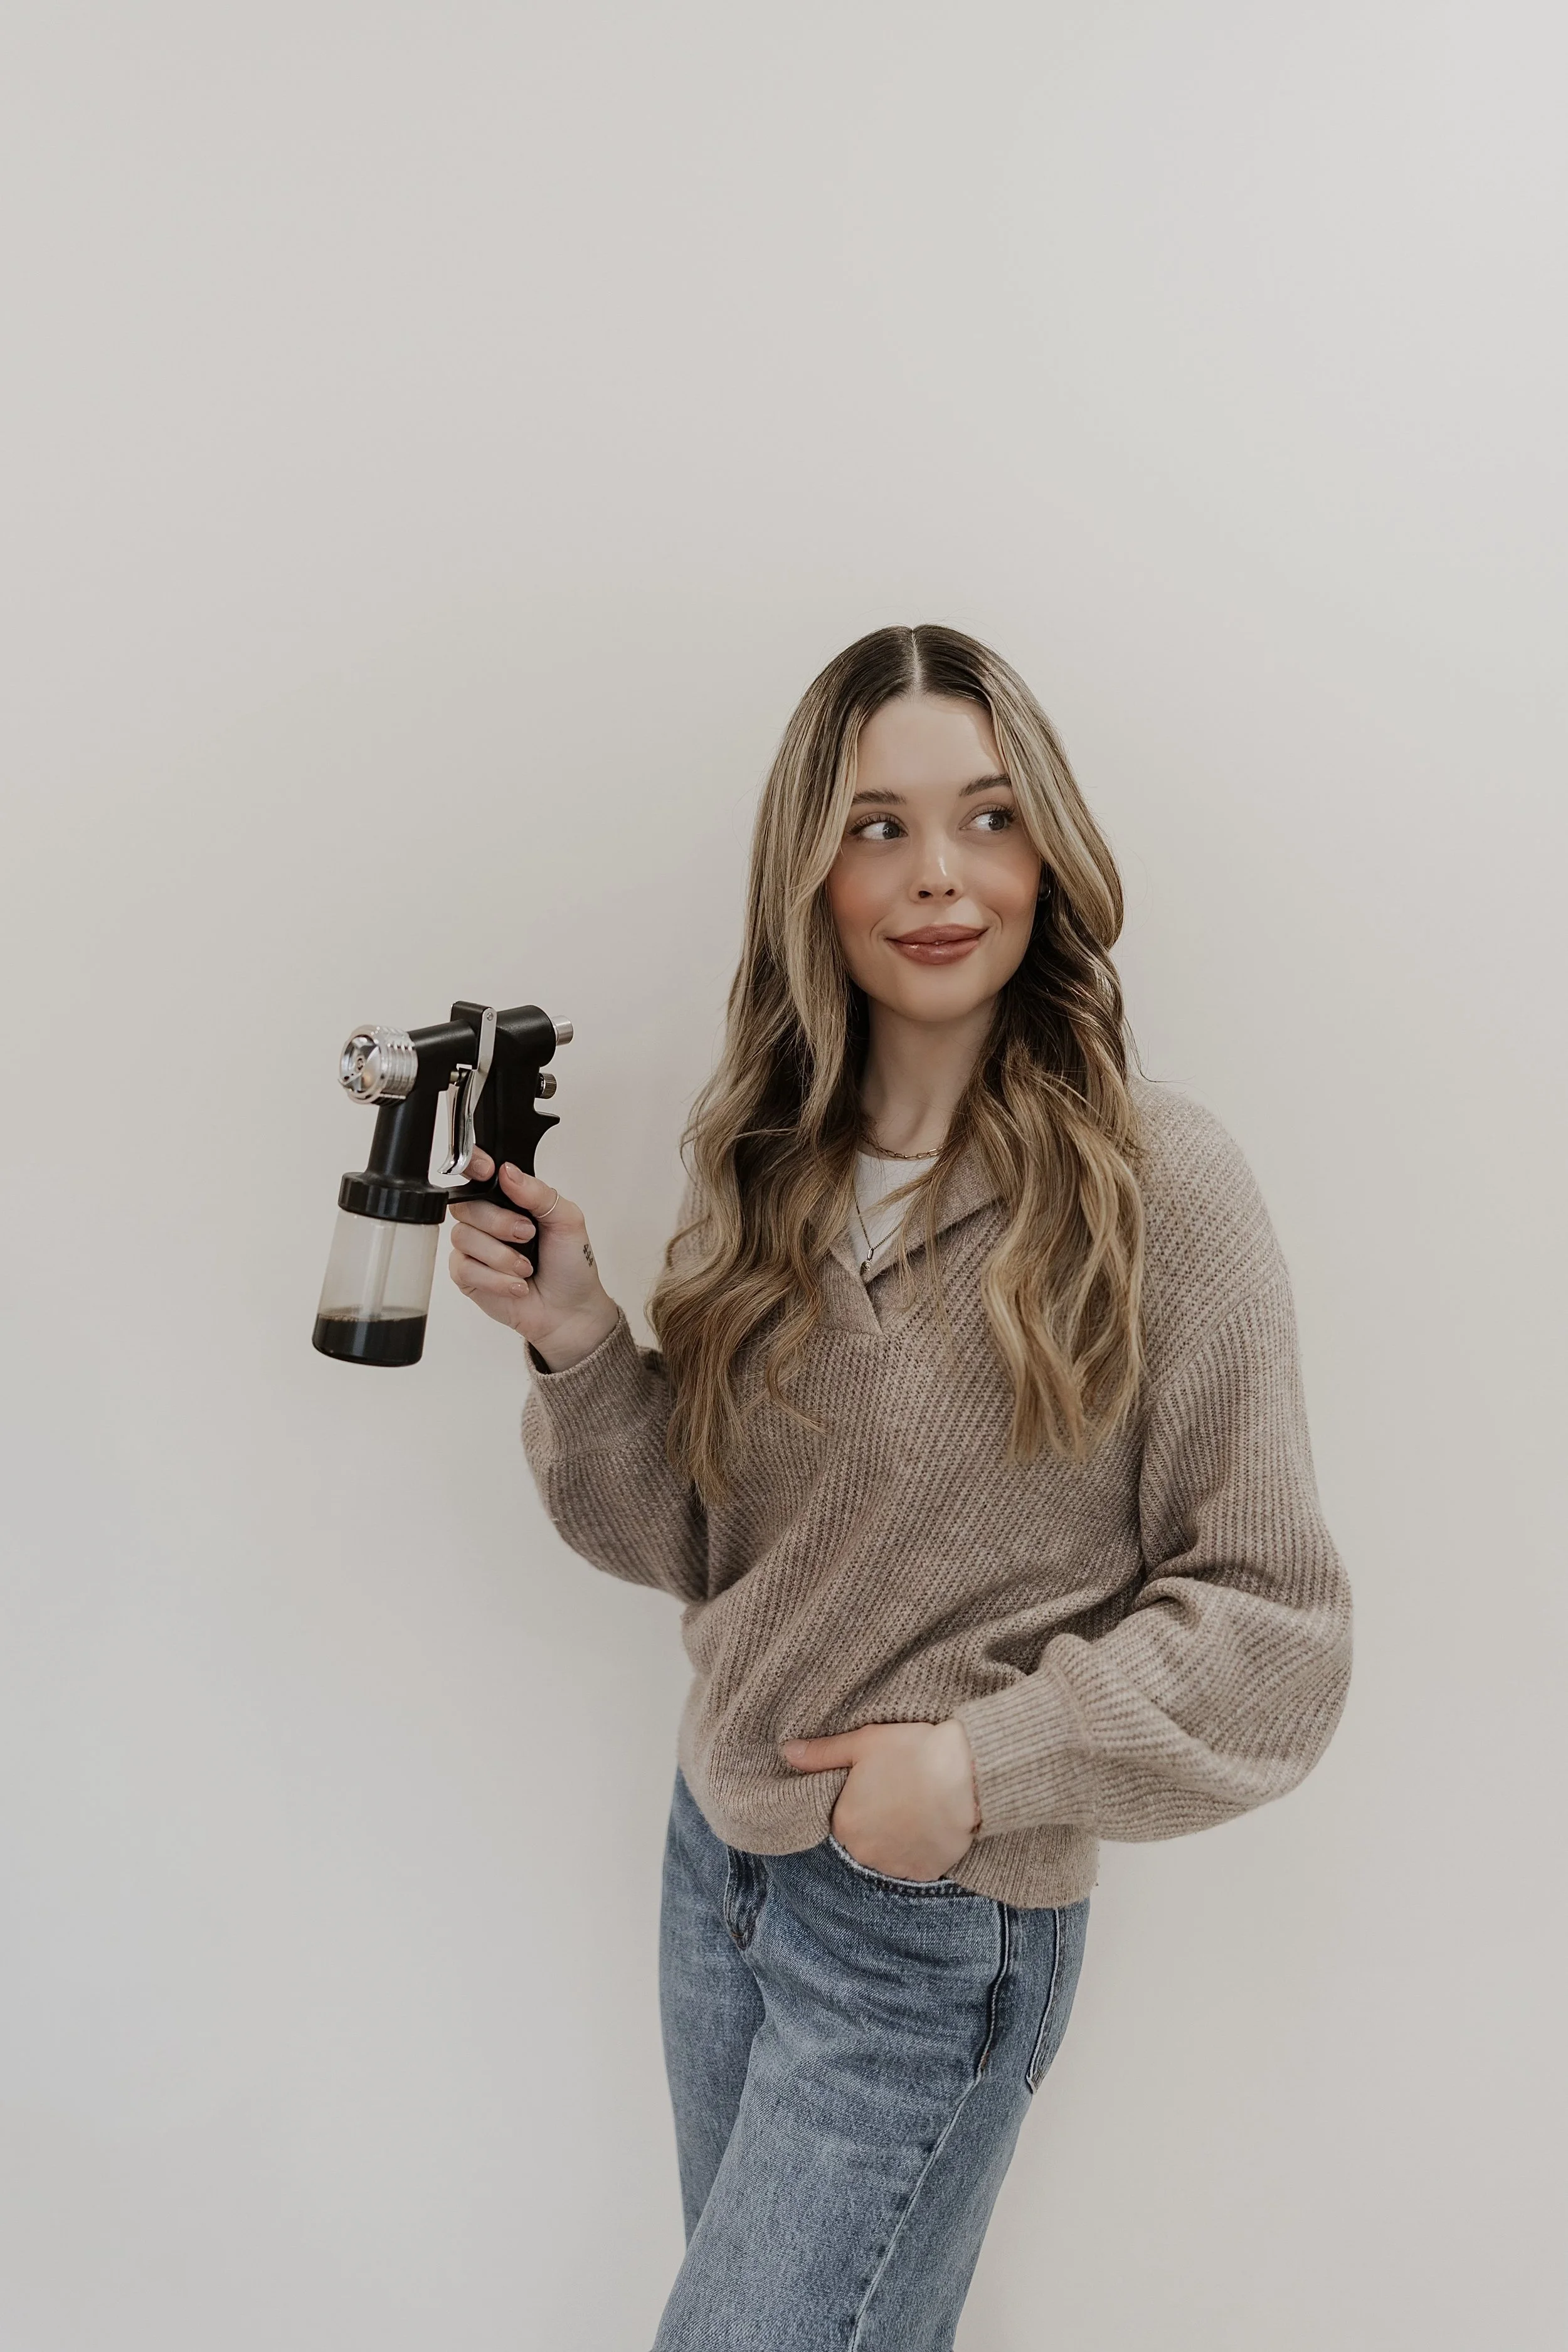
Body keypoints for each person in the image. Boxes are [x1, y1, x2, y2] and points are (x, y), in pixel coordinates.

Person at [447, 624, 1353, 2352]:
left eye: (987, 818)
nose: (939, 875)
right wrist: (577, 1341)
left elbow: (1277, 1626)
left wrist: (976, 1763)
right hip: (715, 1876)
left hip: (925, 1931)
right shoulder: (773, 1168)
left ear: (1048, 854)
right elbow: (706, 1550)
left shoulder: (1163, 1186)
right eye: (877, 826)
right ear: (812, 871)